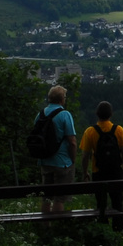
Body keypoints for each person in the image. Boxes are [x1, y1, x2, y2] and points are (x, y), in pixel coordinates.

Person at [78, 100, 123, 231]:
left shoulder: (90, 131)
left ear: (97, 114)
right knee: (117, 203)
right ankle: (118, 230)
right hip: (116, 172)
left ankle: (102, 231)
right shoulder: (118, 130)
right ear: (111, 114)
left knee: (101, 204)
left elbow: (85, 156)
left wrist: (85, 173)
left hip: (98, 172)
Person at [36, 85, 78, 215]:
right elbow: (72, 141)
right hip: (62, 162)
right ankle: (56, 227)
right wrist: (73, 160)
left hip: (45, 161)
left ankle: (45, 227)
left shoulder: (40, 114)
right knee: (60, 198)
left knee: (46, 198)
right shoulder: (64, 114)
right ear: (61, 99)